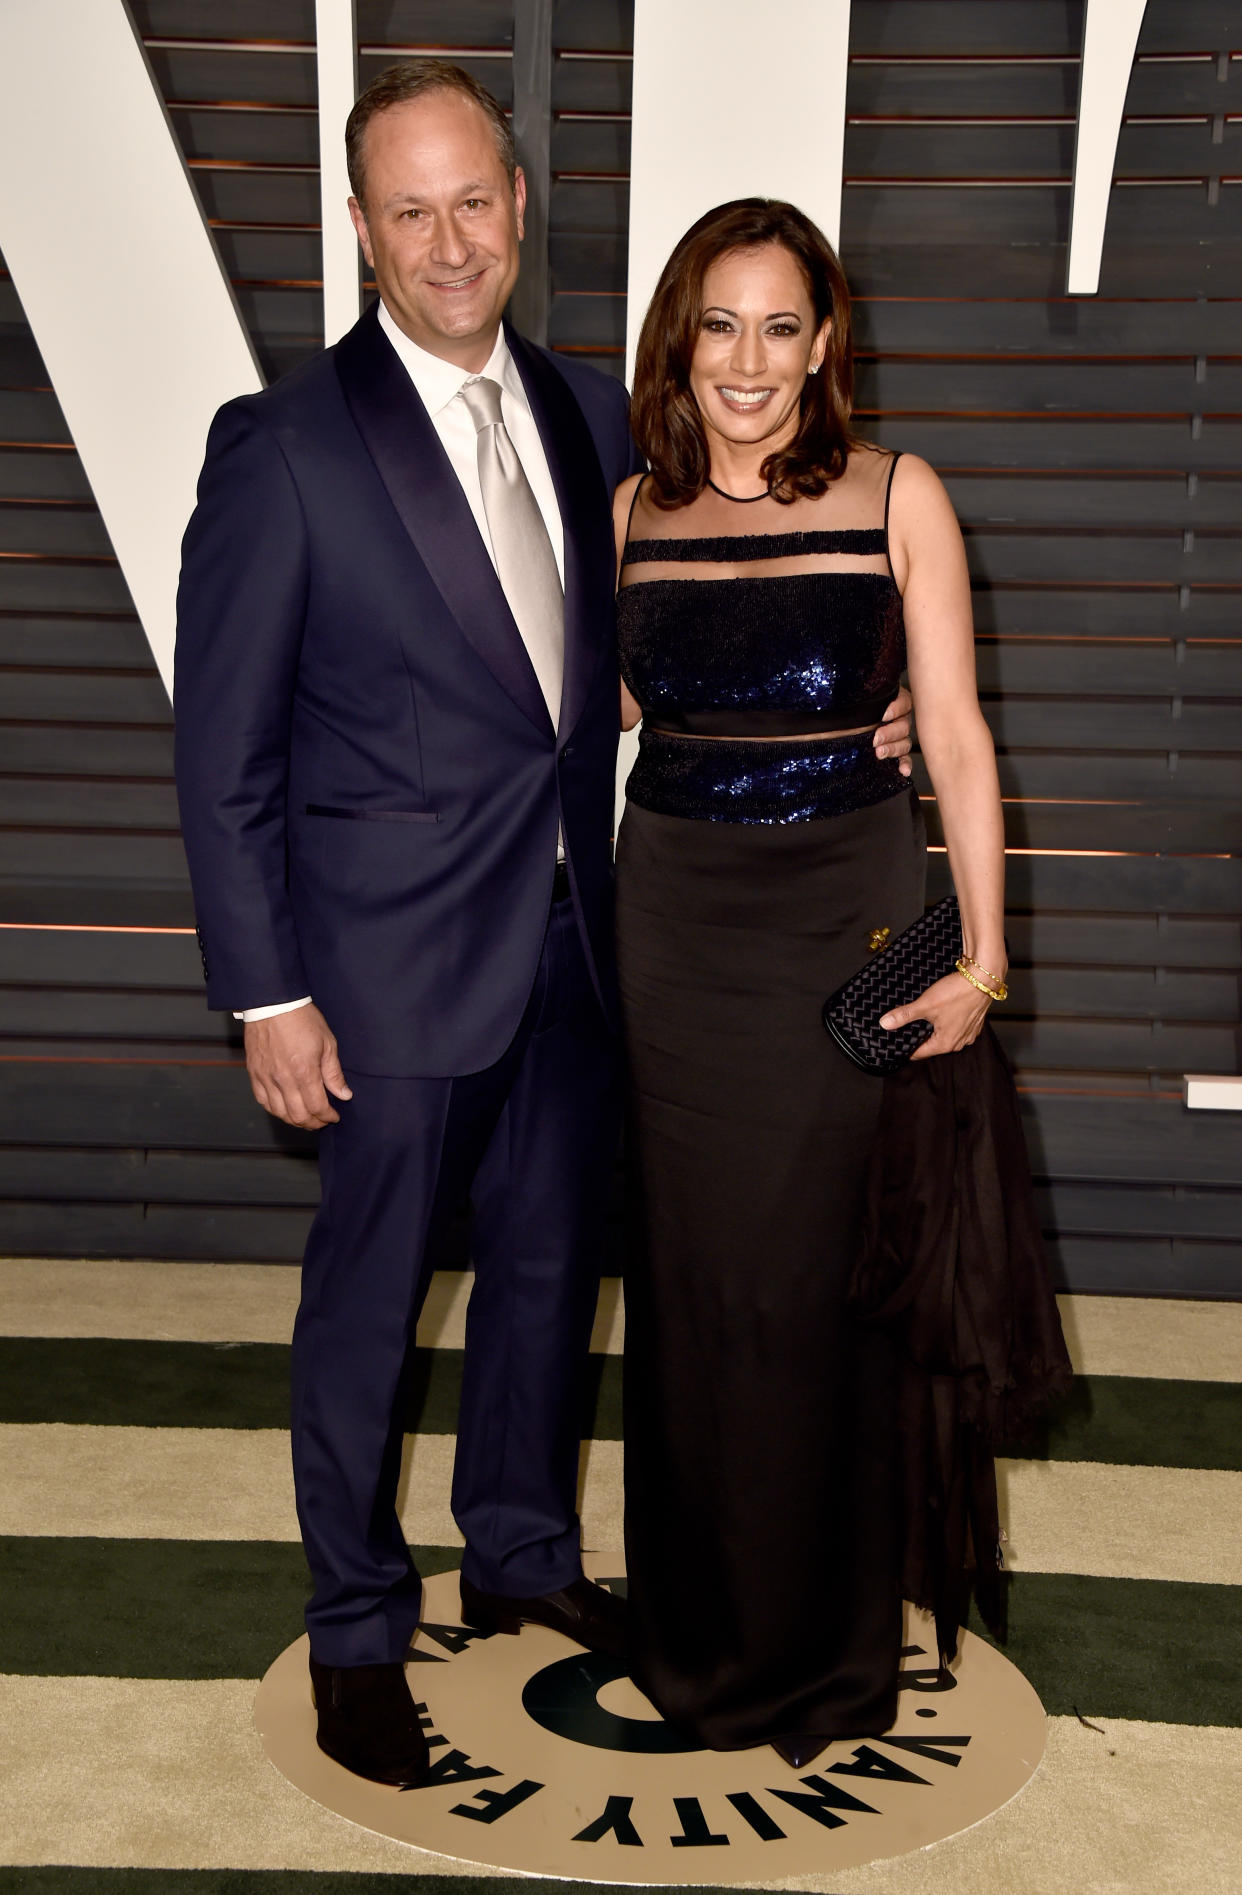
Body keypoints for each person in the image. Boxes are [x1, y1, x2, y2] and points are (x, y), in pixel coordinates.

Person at [176, 62, 913, 1788]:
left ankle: (516, 1554)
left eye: (475, 202)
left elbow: (672, 657)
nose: (450, 243)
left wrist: (861, 710)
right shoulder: (282, 446)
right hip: (375, 972)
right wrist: (265, 992)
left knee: (540, 1285)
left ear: (521, 206)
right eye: (408, 210)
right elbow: (223, 757)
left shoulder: (601, 420)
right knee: (367, 1309)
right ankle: (358, 1626)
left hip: (595, 951)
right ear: (358, 230)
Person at [613, 198, 1007, 1766]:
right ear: (680, 339)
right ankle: (698, 1633)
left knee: (809, 1285)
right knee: (696, 1289)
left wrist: (982, 959)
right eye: (720, 324)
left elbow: (961, 738)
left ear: (825, 341)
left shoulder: (898, 494)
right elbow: (617, 711)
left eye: (782, 326)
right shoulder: (632, 510)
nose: (749, 363)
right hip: (673, 927)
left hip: (840, 909)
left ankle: (818, 1655)